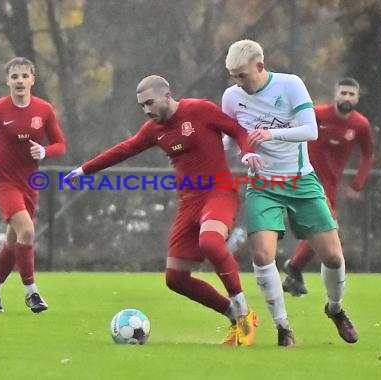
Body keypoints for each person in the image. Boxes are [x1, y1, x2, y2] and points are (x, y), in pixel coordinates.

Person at [64, 75, 262, 346]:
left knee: (211, 242)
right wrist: (85, 169)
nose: (146, 110)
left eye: (149, 103)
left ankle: (242, 309)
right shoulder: (154, 130)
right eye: (141, 106)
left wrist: (248, 152)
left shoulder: (200, 110)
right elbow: (125, 149)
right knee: (175, 278)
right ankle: (233, 315)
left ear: (167, 95)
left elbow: (237, 129)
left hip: (219, 192)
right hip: (188, 202)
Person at [222, 40, 359, 346]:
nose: (237, 83)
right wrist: (243, 156)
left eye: (242, 75)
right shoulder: (232, 97)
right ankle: (283, 328)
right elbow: (232, 139)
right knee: (261, 254)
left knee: (334, 257)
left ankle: (335, 309)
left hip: (301, 180)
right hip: (262, 184)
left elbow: (310, 130)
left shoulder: (290, 85)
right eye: (233, 76)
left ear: (260, 65)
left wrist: (272, 133)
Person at [0, 57, 67, 313]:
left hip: (29, 183)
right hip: (3, 181)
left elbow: (60, 145)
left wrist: (45, 151)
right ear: (7, 81)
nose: (20, 81)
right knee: (28, 232)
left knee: (14, 242)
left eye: (24, 76)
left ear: (33, 79)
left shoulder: (44, 110)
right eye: (15, 76)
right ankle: (31, 293)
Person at [283, 77, 375, 297]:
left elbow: (368, 155)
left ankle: (293, 271)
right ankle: (292, 268)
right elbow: (290, 129)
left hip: (331, 187)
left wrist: (357, 184)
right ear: (335, 94)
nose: (346, 97)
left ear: (357, 98)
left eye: (351, 94)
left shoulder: (360, 125)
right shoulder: (317, 115)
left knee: (319, 232)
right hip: (306, 181)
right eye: (343, 93)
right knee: (328, 228)